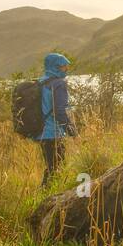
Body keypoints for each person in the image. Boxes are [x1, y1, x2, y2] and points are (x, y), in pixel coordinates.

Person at [38, 51, 75, 185]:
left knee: (51, 166)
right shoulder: (58, 83)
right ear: (55, 67)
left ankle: (44, 196)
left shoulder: (41, 82)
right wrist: (71, 130)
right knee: (56, 167)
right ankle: (47, 198)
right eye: (63, 66)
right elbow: (59, 111)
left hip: (40, 132)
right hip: (52, 131)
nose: (66, 68)